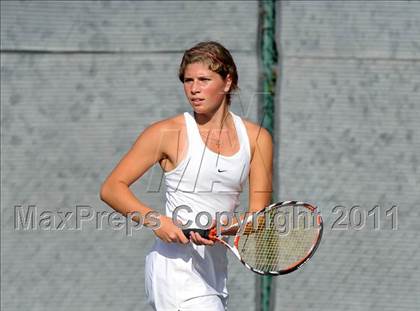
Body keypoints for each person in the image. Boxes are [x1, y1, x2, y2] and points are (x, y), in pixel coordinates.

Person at [100, 41, 273, 311]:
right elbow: (112, 188)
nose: (194, 89)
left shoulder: (257, 138)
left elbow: (257, 218)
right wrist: (157, 221)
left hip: (214, 275)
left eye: (204, 79)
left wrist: (222, 226)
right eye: (188, 80)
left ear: (227, 82)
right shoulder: (165, 133)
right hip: (173, 272)